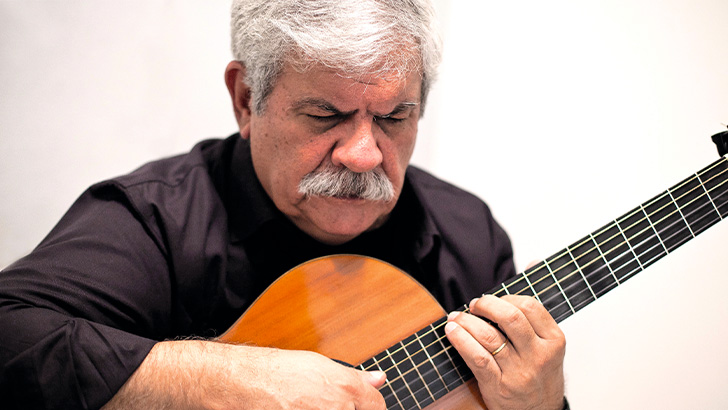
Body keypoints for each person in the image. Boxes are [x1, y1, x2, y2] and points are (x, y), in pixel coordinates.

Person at [0, 0, 567, 409]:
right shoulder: (155, 218)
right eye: (325, 115)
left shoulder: (468, 237)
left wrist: (541, 405)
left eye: (395, 117)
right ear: (246, 100)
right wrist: (223, 381)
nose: (364, 155)